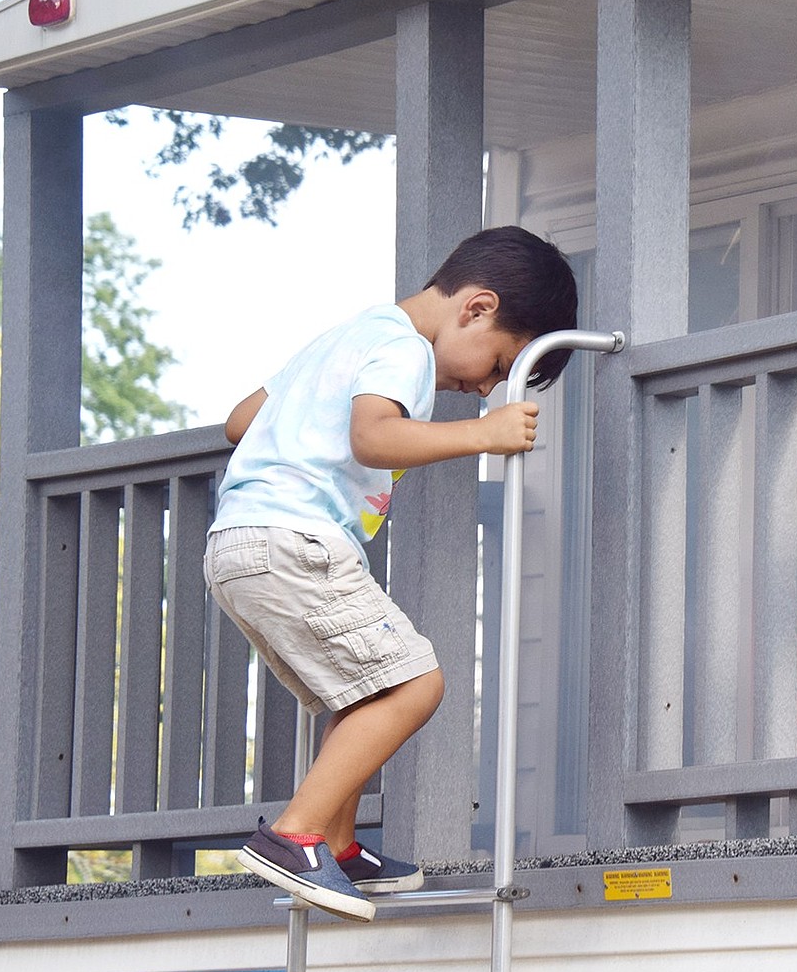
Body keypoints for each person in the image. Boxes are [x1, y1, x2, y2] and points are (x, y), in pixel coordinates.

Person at [203, 226, 578, 921]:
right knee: (414, 683)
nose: (487, 385)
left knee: (363, 690)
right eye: (497, 363)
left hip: (239, 543)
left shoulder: (347, 337)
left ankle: (340, 844)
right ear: (475, 308)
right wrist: (484, 435)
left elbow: (237, 423)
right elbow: (375, 436)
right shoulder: (404, 347)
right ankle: (296, 835)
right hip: (298, 539)